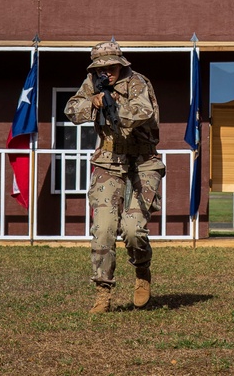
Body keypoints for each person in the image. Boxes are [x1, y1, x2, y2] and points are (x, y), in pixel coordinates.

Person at [65, 41, 166, 313]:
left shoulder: (137, 82)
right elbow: (71, 109)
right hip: (109, 162)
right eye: (100, 67)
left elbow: (143, 111)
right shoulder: (93, 82)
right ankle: (103, 291)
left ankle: (142, 271)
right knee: (103, 230)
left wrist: (113, 106)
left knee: (133, 229)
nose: (106, 72)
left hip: (144, 162)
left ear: (121, 64)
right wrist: (94, 103)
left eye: (111, 67)